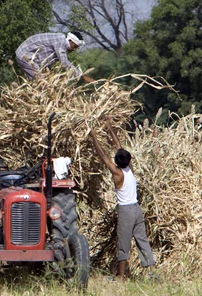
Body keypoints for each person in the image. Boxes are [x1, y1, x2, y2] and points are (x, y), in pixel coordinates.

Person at [89, 117, 156, 282]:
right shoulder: (130, 170)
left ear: (117, 162)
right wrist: (110, 128)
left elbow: (103, 156)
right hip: (137, 209)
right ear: (129, 160)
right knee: (142, 240)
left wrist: (93, 136)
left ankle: (120, 276)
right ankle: (152, 272)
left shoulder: (117, 173)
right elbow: (119, 147)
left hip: (126, 211)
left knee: (123, 242)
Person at [15, 31, 95, 83]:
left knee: (43, 81)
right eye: (75, 46)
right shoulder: (61, 42)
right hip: (25, 55)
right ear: (70, 41)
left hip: (28, 56)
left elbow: (48, 59)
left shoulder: (61, 39)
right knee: (41, 84)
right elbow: (65, 63)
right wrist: (82, 76)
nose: (74, 49)